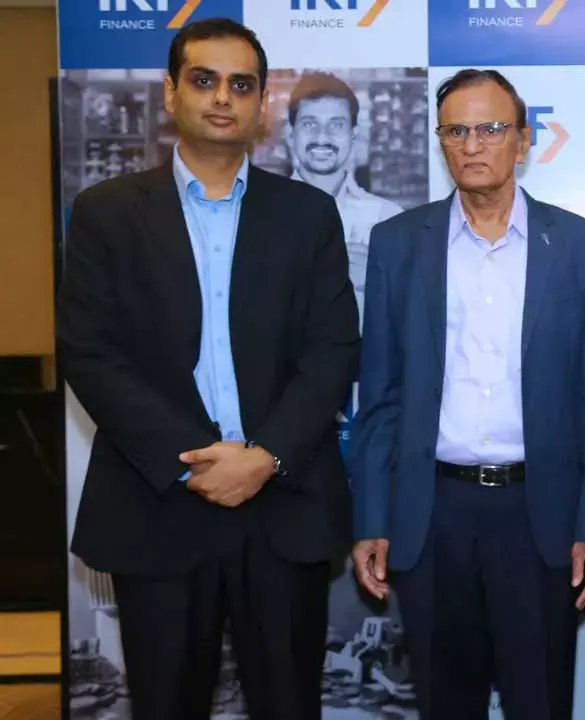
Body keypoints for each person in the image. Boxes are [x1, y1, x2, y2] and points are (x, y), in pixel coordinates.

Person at [56, 18, 360, 719]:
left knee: (289, 704)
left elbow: (333, 348)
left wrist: (264, 457)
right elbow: (89, 352)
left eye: (241, 85)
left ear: (261, 105)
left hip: (282, 504)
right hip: (158, 503)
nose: (223, 97)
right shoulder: (105, 213)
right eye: (204, 80)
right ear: (171, 93)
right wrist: (191, 462)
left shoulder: (308, 215)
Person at [349, 68, 585, 719]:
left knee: (540, 702)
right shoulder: (397, 244)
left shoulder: (578, 245)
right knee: (446, 704)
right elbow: (379, 396)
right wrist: (372, 518)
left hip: (539, 515)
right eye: (456, 131)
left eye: (491, 129)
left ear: (523, 140)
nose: (472, 145)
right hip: (432, 513)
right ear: (441, 142)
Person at [286, 71, 404, 318]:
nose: (322, 137)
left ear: (354, 135)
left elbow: (408, 311)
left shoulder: (389, 220)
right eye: (309, 124)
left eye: (336, 125)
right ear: (291, 133)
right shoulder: (261, 215)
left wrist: (378, 279)